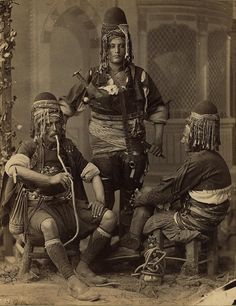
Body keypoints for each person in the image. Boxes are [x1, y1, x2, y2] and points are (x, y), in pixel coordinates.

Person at [59, 7, 169, 237]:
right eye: (112, 46)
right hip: (102, 148)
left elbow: (157, 107)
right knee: (105, 195)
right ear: (104, 48)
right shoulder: (92, 76)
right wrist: (59, 134)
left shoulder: (140, 77)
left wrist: (158, 140)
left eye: (121, 45)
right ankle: (105, 244)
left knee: (132, 195)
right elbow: (68, 107)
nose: (116, 51)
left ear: (127, 45)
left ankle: (129, 245)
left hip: (134, 147)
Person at [0, 92, 117, 301]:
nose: (55, 129)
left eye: (57, 124)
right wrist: (49, 180)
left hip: (67, 207)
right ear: (38, 124)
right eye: (49, 125)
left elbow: (92, 172)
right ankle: (72, 281)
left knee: (109, 217)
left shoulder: (68, 147)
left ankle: (83, 265)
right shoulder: (30, 147)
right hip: (38, 209)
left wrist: (100, 201)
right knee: (48, 226)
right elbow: (13, 169)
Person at [112, 100, 231, 276]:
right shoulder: (213, 158)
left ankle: (139, 251)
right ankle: (133, 242)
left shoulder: (200, 161)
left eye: (188, 128)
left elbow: (168, 192)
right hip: (210, 216)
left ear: (198, 131)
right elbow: (178, 186)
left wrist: (141, 198)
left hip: (198, 220)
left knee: (152, 215)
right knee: (151, 196)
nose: (184, 136)